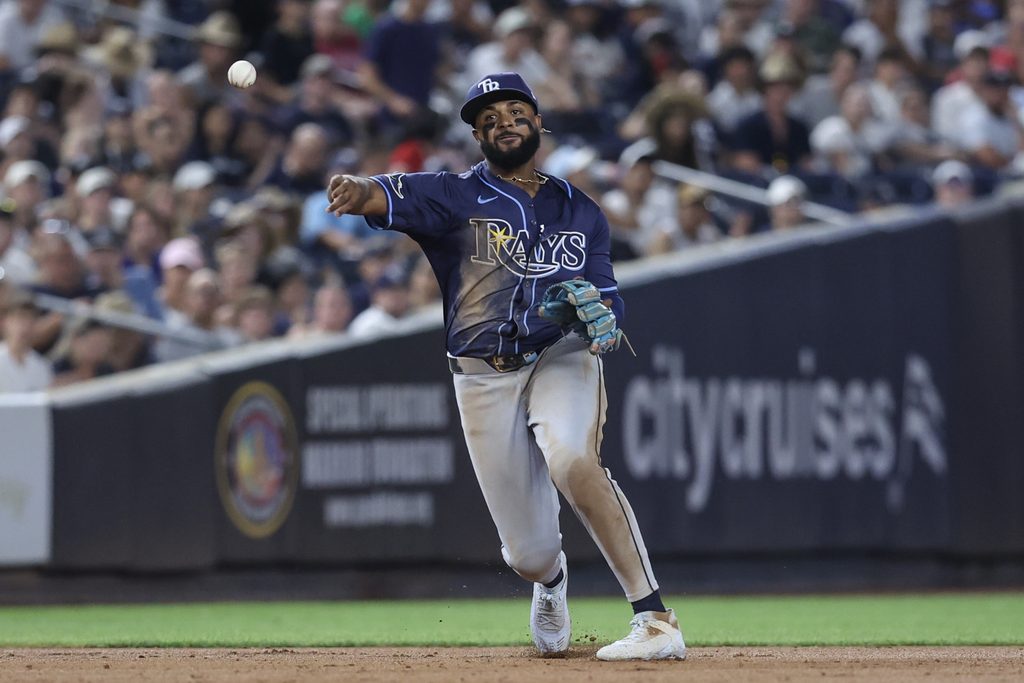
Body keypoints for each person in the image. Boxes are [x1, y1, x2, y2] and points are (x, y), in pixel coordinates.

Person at [325, 71, 686, 661]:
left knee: (573, 459)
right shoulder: (453, 195)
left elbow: (606, 293)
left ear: (539, 123)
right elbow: (380, 194)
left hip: (558, 356)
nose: (504, 123)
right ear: (477, 136)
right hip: (481, 375)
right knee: (528, 555)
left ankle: (654, 618)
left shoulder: (582, 209)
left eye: (516, 111)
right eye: (488, 118)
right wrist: (353, 187)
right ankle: (552, 582)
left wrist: (604, 316)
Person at [0, 289, 52, 393]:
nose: (25, 325)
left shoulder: (42, 367)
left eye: (31, 318)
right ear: (5, 321)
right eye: (20, 317)